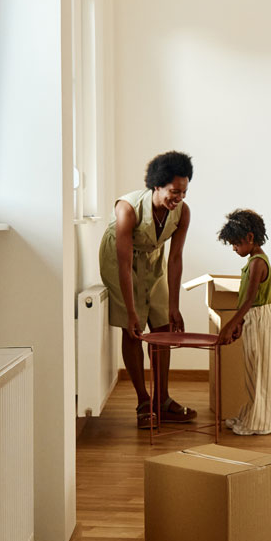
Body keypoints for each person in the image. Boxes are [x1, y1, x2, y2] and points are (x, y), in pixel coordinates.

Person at [99, 151, 196, 429]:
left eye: (184, 192)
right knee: (133, 330)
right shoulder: (127, 209)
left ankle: (162, 401)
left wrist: (174, 306)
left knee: (163, 327)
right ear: (157, 185)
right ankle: (144, 401)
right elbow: (124, 260)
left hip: (152, 263)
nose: (178, 198)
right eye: (174, 191)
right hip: (120, 263)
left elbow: (175, 259)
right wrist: (131, 311)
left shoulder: (182, 213)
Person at [215, 209, 271, 436]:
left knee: (258, 370)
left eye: (236, 243)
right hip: (253, 316)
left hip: (259, 316)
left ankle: (258, 423)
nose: (234, 248)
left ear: (249, 238)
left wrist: (231, 324)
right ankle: (250, 414)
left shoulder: (257, 263)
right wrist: (240, 323)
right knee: (252, 369)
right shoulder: (252, 260)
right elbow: (246, 300)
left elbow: (250, 299)